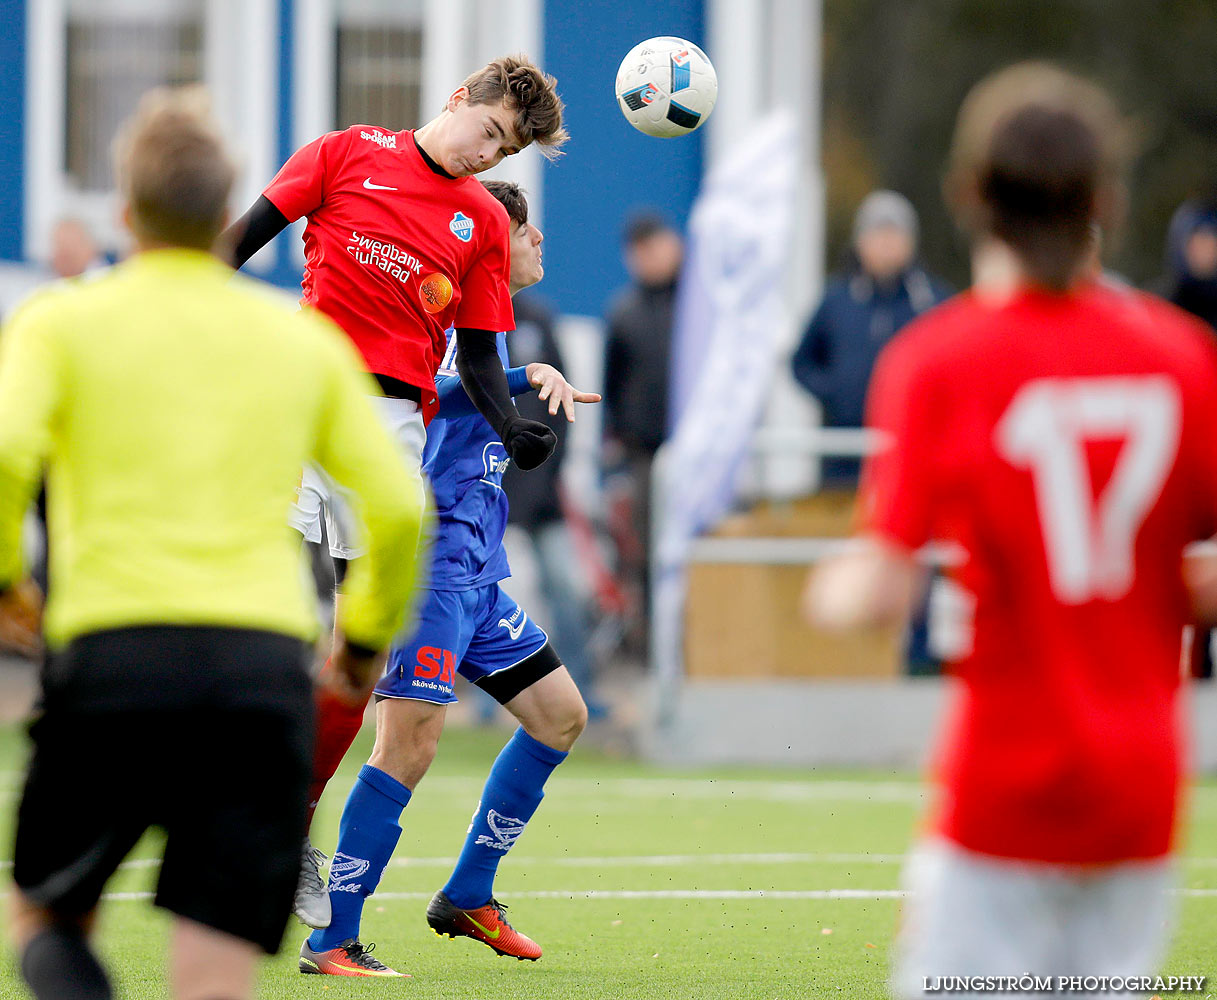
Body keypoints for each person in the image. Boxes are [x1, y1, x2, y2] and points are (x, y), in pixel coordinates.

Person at [0, 88, 425, 1000]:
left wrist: (7, 584)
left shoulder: (62, 321)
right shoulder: (297, 342)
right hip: (259, 671)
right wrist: (356, 644)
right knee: (212, 973)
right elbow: (394, 506)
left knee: (43, 916)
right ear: (222, 207)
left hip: (116, 652)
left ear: (124, 213)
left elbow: (3, 452)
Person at [804, 63, 1217, 997]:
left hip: (1002, 784)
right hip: (1142, 791)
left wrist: (827, 585)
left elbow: (879, 586)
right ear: (1105, 198)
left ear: (966, 197)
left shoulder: (938, 360)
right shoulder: (1181, 357)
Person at [223, 53, 568, 929]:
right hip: (305, 401)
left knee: (357, 653)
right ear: (458, 99)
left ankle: (285, 821)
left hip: (388, 438)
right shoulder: (344, 154)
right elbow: (234, 246)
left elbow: (484, 355)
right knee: (241, 607)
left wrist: (511, 426)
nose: (487, 157)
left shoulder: (482, 221)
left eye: (505, 151)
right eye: (487, 132)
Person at [298, 180, 600, 977]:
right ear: (502, 244)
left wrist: (519, 372)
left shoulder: (493, 333)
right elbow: (419, 397)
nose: (540, 250)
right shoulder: (448, 324)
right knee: (407, 748)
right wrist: (513, 377)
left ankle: (468, 893)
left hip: (476, 576)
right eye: (531, 238)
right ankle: (331, 938)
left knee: (560, 716)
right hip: (426, 567)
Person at [791, 190, 952, 484]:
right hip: (844, 458)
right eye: (878, 233)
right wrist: (836, 394)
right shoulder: (837, 300)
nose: (886, 243)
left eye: (895, 233)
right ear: (860, 241)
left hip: (915, 452)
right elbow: (801, 363)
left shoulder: (932, 302)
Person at [602, 212, 683, 654]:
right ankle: (653, 646)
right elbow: (612, 384)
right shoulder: (624, 312)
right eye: (641, 251)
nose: (651, 258)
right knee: (648, 551)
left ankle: (701, 641)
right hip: (645, 455)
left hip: (695, 451)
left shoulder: (700, 306)